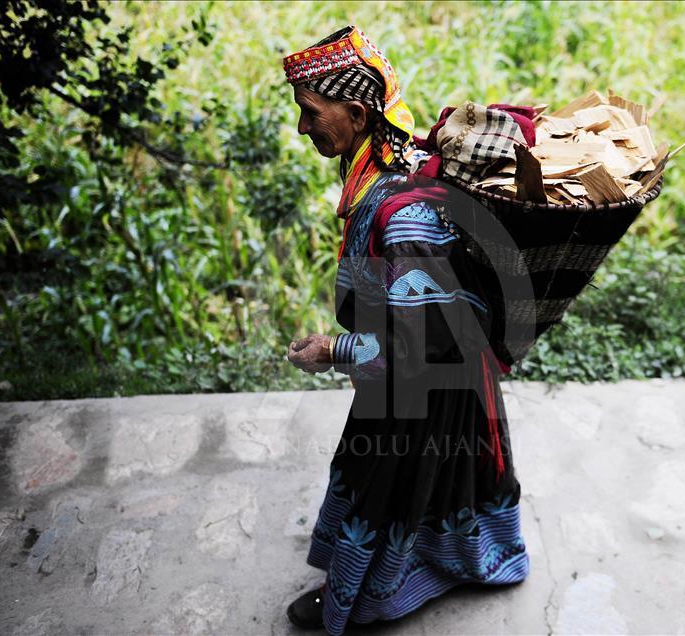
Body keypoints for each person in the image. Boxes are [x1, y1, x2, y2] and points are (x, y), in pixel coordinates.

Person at [283, 26, 530, 635]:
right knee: (437, 482)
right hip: (432, 379)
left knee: (392, 481)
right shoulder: (397, 160)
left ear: (359, 112)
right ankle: (468, 558)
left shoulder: (403, 216)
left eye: (311, 114)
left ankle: (369, 596)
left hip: (420, 388)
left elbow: (423, 348)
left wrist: (334, 348)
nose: (302, 129)